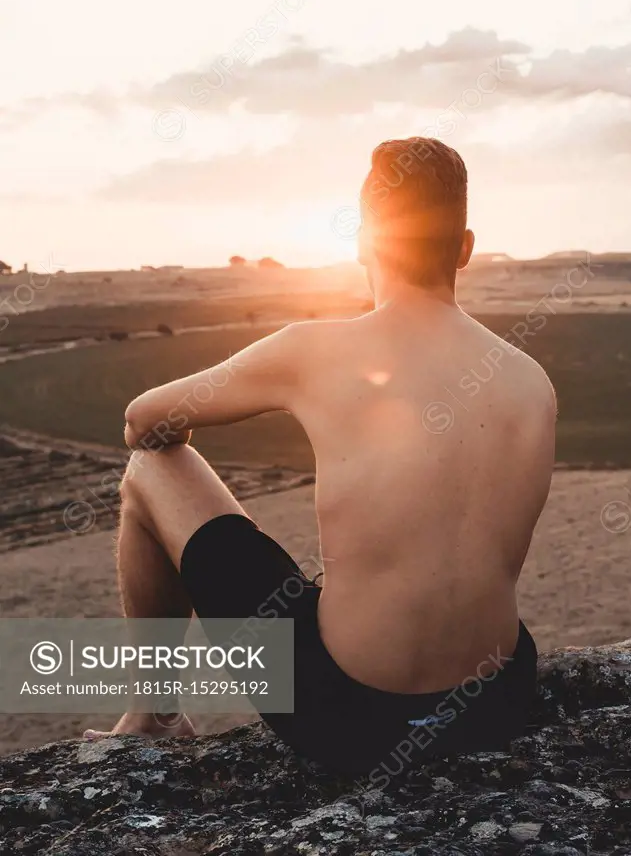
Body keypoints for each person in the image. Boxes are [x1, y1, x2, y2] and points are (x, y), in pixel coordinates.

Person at [84, 137, 556, 776]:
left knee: (152, 469)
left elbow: (143, 420)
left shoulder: (313, 350)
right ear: (465, 247)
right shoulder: (532, 382)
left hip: (347, 717)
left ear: (364, 244)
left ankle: (155, 712)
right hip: (495, 703)